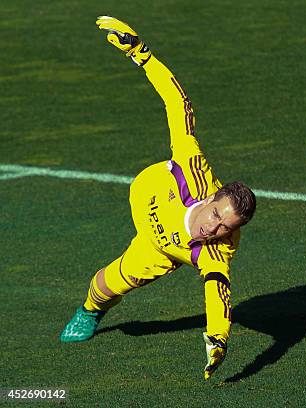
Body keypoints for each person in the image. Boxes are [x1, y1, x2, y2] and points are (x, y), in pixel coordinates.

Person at [59, 16, 256, 381]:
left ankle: (89, 311)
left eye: (226, 227)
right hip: (147, 191)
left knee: (106, 285)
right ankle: (89, 308)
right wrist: (141, 53)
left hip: (159, 247)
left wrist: (218, 339)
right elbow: (178, 103)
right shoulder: (191, 167)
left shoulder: (217, 251)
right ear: (211, 196)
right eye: (216, 215)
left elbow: (218, 293)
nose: (213, 229)